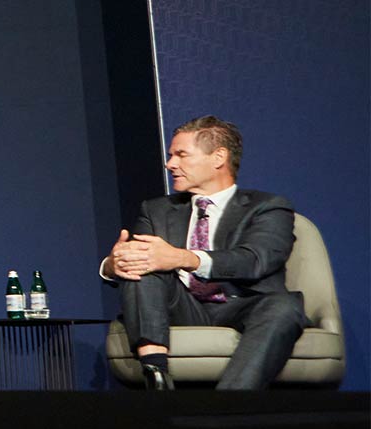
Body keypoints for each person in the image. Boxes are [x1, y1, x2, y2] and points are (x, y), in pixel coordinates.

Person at [101, 115, 304, 390]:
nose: (170, 163)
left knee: (284, 306)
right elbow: (137, 256)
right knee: (144, 266)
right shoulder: (156, 209)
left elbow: (256, 260)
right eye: (171, 155)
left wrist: (184, 258)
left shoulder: (267, 206)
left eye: (181, 155)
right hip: (181, 304)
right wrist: (115, 265)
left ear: (218, 157)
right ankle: (156, 376)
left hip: (242, 304)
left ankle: (227, 405)